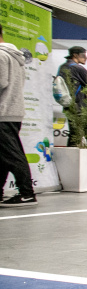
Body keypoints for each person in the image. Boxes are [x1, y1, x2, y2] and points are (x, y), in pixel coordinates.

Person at [0, 23, 36, 207]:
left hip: (3, 112)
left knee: (12, 154)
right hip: (12, 111)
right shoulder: (15, 57)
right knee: (4, 154)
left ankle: (27, 193)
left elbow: (1, 82)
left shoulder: (1, 55)